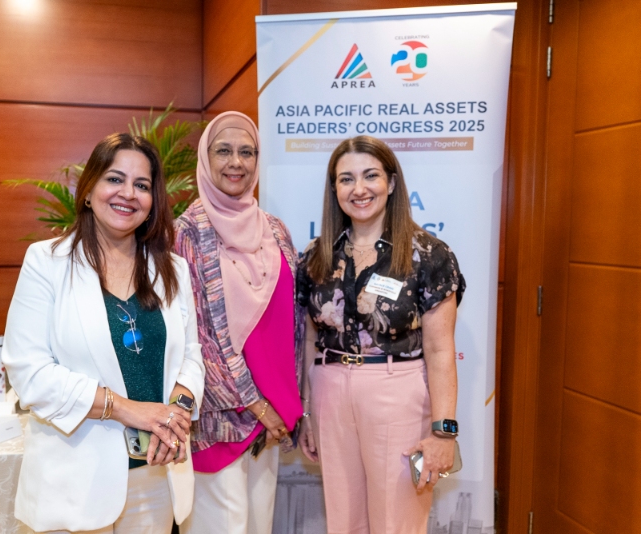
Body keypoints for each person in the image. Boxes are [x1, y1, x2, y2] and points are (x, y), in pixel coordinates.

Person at [2, 133, 205, 533]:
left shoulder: (173, 270)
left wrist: (176, 412)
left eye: (142, 185)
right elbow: (29, 373)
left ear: (152, 202)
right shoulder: (47, 262)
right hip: (74, 483)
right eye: (115, 179)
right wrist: (130, 409)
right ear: (88, 190)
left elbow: (191, 356)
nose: (128, 193)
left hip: (154, 478)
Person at [297, 135, 465, 534]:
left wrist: (444, 432)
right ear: (334, 189)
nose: (359, 189)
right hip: (330, 393)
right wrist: (306, 412)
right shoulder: (318, 255)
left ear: (391, 183)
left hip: (397, 393)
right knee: (344, 521)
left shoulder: (428, 254)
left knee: (397, 521)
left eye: (370, 176)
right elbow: (309, 340)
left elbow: (441, 350)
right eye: (346, 179)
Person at [174, 111, 304, 534]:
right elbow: (196, 338)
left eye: (247, 152)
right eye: (224, 151)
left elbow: (294, 325)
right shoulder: (186, 233)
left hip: (273, 417)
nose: (236, 162)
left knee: (259, 526)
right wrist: (256, 404)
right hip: (220, 421)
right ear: (205, 158)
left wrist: (283, 405)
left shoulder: (276, 230)